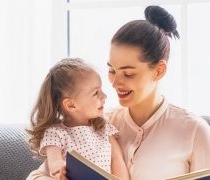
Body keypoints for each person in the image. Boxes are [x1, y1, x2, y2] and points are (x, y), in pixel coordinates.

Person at [27, 5, 210, 180]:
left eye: (128, 73)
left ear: (159, 70)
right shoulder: (96, 122)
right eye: (112, 70)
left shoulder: (195, 132)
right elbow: (37, 176)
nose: (115, 83)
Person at [26, 58, 130, 180]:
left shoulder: (104, 128)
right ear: (71, 105)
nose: (104, 96)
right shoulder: (55, 133)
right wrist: (60, 173)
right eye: (96, 93)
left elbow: (117, 160)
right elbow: (55, 164)